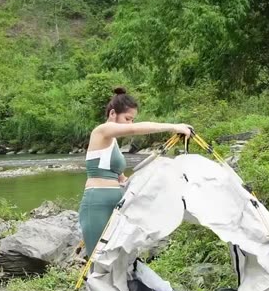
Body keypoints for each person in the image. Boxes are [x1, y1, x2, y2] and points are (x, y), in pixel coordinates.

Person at [79, 87, 193, 261]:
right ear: (112, 113)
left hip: (117, 205)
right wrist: (173, 126)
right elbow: (135, 130)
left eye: (132, 120)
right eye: (128, 119)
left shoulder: (112, 143)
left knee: (118, 261)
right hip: (97, 205)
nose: (130, 124)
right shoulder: (101, 131)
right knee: (99, 261)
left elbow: (120, 178)